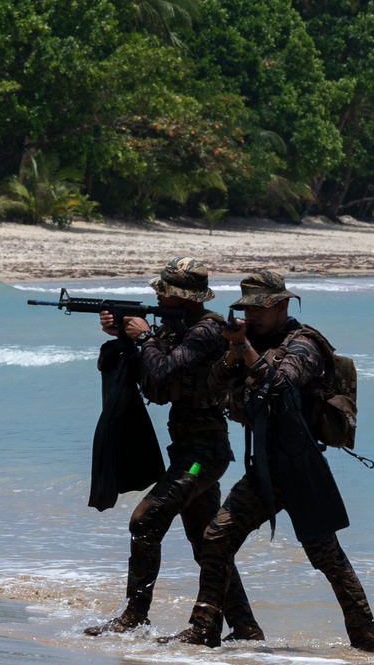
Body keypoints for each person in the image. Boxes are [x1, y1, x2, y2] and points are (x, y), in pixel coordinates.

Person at [166, 270, 374, 651]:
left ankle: (367, 644)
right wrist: (233, 354)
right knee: (217, 537)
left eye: (260, 309)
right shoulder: (250, 342)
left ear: (282, 306)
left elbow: (279, 384)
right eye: (247, 309)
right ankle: (205, 630)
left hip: (300, 467)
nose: (252, 317)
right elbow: (215, 386)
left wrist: (245, 351)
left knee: (327, 558)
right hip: (265, 467)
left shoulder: (304, 344)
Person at [84, 257, 264, 641]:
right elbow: (152, 383)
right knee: (206, 544)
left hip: (202, 457)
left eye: (162, 293)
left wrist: (145, 337)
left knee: (145, 521)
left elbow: (165, 370)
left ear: (182, 299)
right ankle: (246, 628)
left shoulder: (206, 332)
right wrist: (123, 336)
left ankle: (135, 616)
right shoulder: (177, 329)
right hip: (187, 450)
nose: (157, 298)